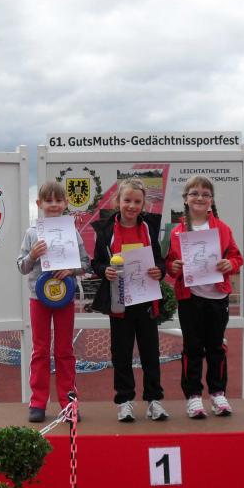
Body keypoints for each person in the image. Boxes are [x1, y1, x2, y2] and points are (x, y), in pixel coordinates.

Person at [90, 178, 168, 422]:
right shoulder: (106, 230)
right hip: (120, 300)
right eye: (127, 200)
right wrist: (104, 270)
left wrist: (159, 270)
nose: (132, 206)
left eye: (137, 201)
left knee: (150, 353)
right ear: (118, 201)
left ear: (143, 204)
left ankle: (154, 400)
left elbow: (159, 260)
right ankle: (124, 401)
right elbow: (96, 262)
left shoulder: (149, 228)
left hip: (145, 300)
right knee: (121, 354)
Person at [165, 176, 244, 418]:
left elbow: (237, 258)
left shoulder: (222, 229)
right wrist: (173, 268)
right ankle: (193, 396)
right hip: (190, 298)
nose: (199, 198)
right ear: (185, 199)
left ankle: (218, 393)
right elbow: (170, 263)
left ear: (211, 200)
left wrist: (229, 263)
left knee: (216, 347)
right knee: (192, 348)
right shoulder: (177, 231)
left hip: (217, 298)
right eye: (194, 193)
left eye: (205, 194)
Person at [17, 182, 90, 423]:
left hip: (65, 299)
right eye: (48, 201)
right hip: (38, 299)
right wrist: (32, 255)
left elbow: (86, 264)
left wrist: (71, 270)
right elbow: (21, 266)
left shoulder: (73, 232)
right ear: (39, 204)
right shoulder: (31, 233)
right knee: (40, 350)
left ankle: (68, 403)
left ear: (66, 203)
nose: (54, 205)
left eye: (58, 200)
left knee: (64, 350)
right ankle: (38, 402)